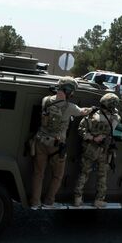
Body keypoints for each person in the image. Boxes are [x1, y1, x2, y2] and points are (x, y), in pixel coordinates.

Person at [29, 77, 91, 209]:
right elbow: (83, 112)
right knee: (57, 176)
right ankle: (49, 202)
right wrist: (91, 109)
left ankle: (35, 202)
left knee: (38, 173)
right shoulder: (70, 107)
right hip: (57, 146)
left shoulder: (45, 100)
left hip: (41, 142)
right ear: (69, 92)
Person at [72, 93, 121, 208]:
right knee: (102, 175)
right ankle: (99, 200)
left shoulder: (91, 115)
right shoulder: (115, 118)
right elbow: (114, 125)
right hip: (104, 150)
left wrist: (92, 137)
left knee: (83, 173)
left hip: (89, 148)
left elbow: (81, 130)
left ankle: (77, 199)